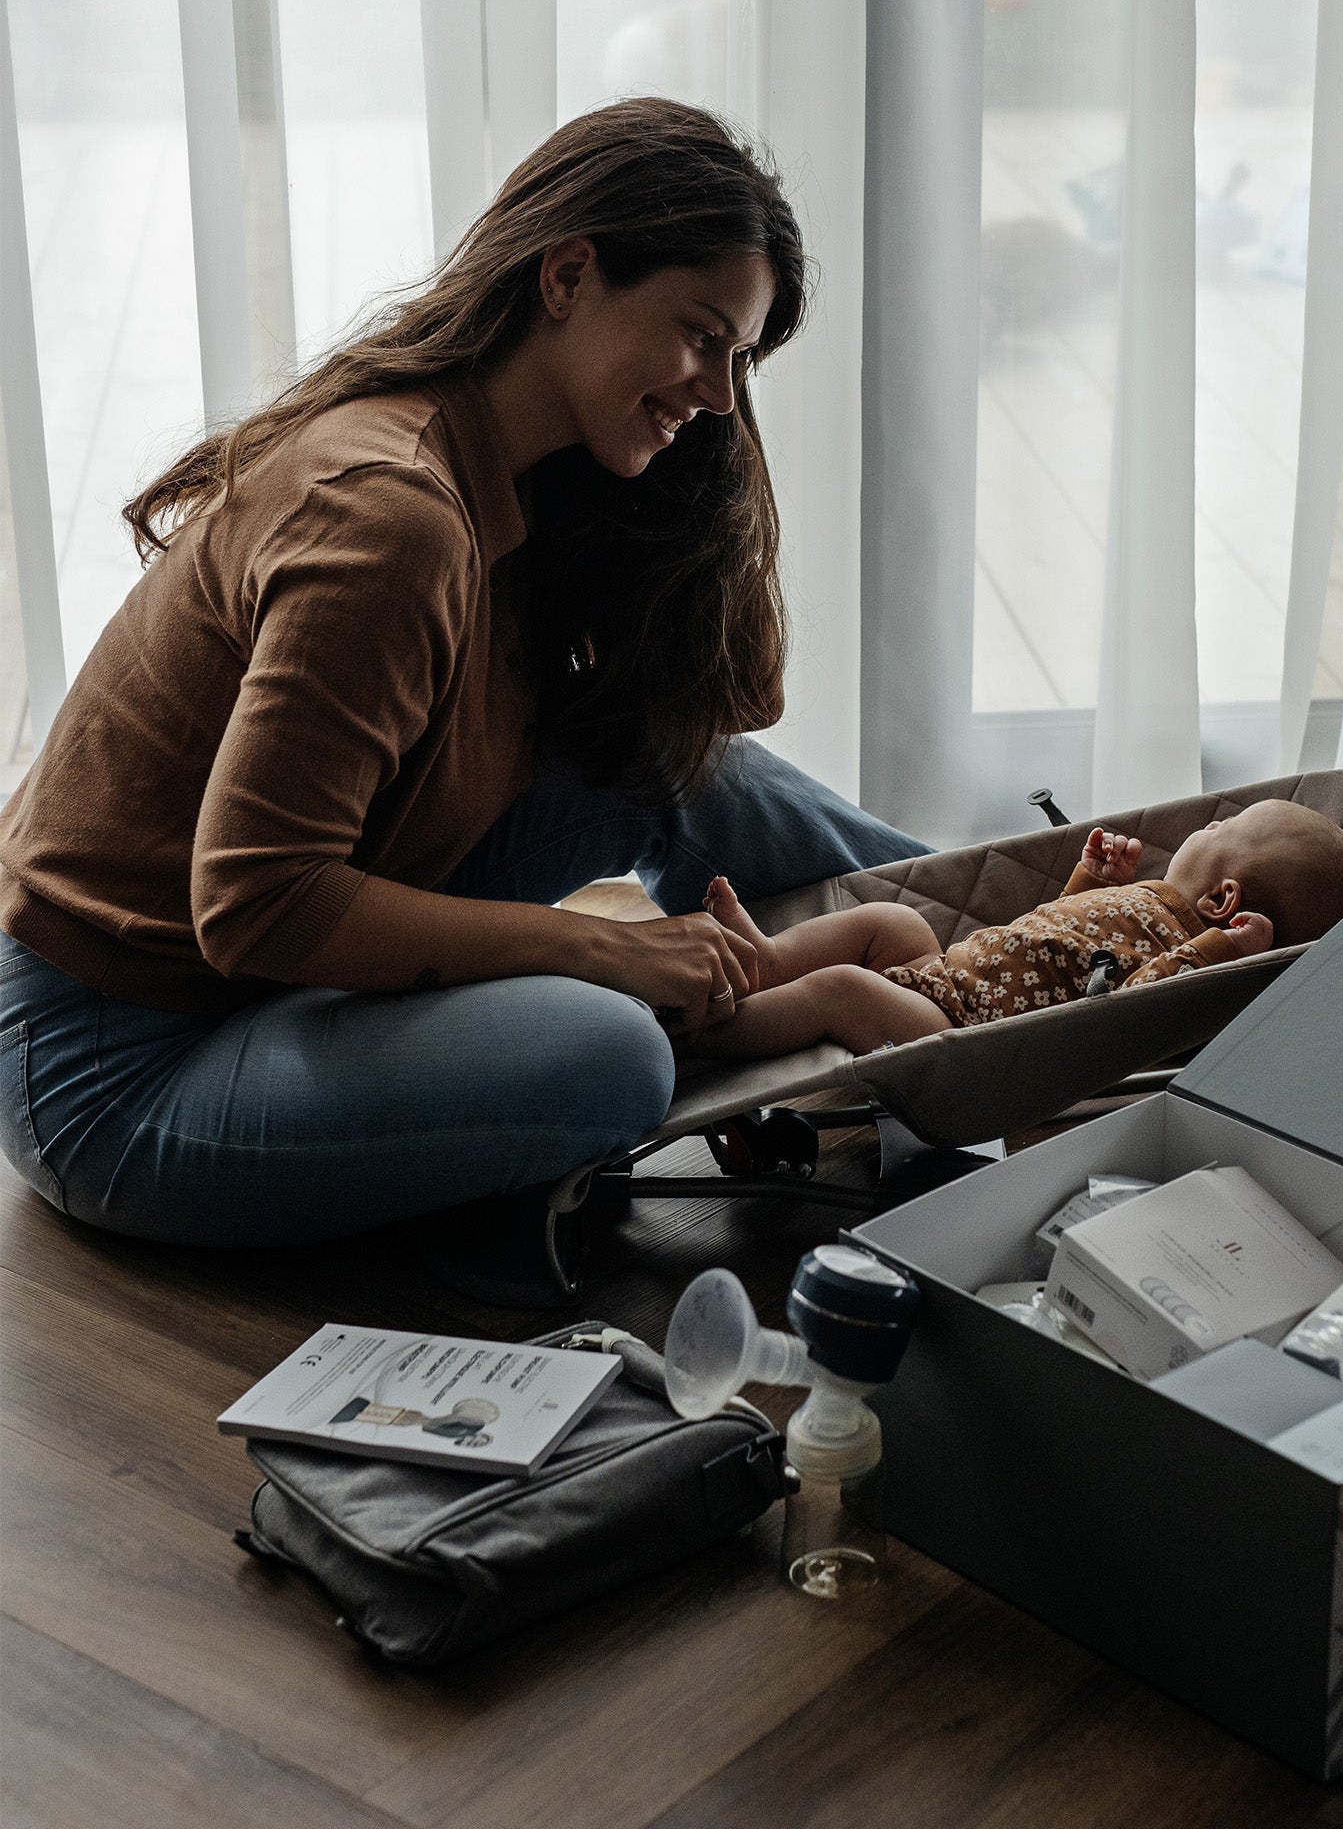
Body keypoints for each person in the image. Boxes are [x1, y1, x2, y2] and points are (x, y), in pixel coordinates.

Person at [0, 99, 927, 1270]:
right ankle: (773, 1007)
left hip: (268, 965)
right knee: (611, 1055)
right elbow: (253, 904)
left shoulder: (524, 466)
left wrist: (697, 469)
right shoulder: (387, 513)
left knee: (674, 765)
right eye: (701, 337)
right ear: (568, 274)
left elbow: (732, 699)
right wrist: (604, 950)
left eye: (738, 357)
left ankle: (1033, 939)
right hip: (119, 1062)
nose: (720, 396)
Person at [691, 799, 1343, 1059]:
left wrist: (1214, 953)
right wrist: (1087, 883)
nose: (1209, 821)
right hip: (951, 971)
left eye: (1221, 827)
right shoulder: (1148, 898)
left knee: (843, 987)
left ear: (1225, 900)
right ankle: (767, 959)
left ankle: (713, 1031)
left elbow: (1130, 1005)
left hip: (963, 1031)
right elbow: (1055, 938)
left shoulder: (1183, 955)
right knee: (893, 920)